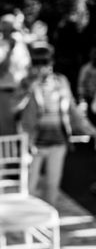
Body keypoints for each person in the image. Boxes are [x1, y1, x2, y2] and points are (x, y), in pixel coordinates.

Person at [16, 42, 96, 206]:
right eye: (36, 63)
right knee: (30, 186)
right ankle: (27, 224)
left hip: (58, 141)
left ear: (51, 63)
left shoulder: (61, 82)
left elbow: (73, 111)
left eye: (44, 63)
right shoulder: (26, 83)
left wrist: (92, 130)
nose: (40, 68)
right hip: (34, 143)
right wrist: (28, 88)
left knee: (52, 185)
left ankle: (46, 226)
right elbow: (13, 107)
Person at [0, 13, 31, 135]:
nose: (14, 33)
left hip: (22, 93)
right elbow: (0, 72)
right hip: (4, 95)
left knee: (25, 131)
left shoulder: (21, 45)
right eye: (12, 30)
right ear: (3, 30)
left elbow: (27, 67)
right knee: (7, 133)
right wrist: (10, 49)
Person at [78, 45, 96, 126]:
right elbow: (81, 84)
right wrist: (82, 98)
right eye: (93, 54)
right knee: (91, 121)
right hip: (89, 98)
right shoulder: (86, 68)